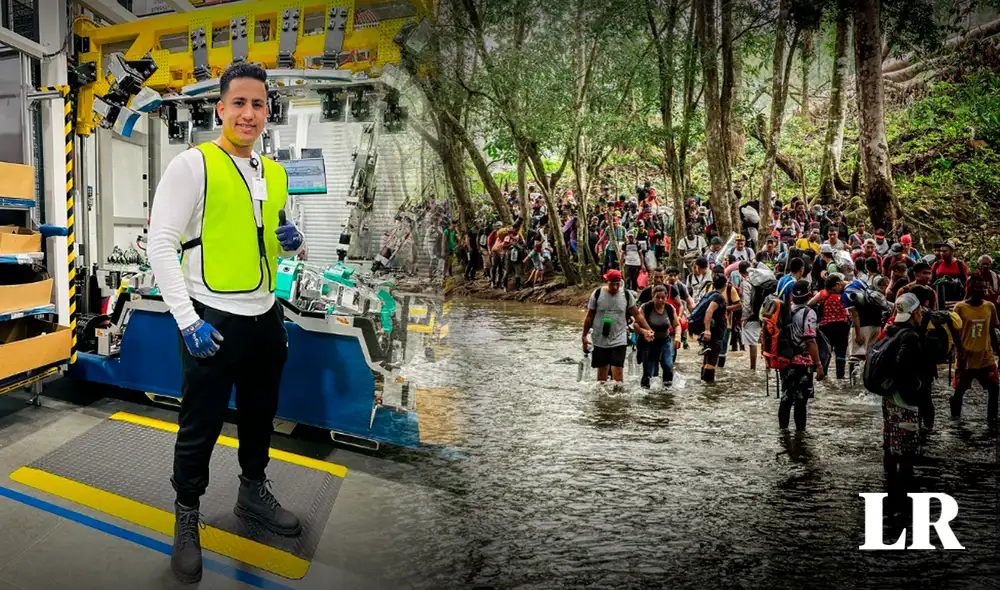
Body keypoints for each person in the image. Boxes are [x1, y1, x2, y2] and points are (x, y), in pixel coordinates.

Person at [147, 63, 306, 583]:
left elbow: (287, 237)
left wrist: (295, 243)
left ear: (267, 111)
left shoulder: (275, 173)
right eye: (239, 102)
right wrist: (186, 319)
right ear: (220, 107)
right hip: (210, 319)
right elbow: (160, 244)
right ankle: (187, 515)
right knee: (200, 428)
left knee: (260, 417)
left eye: (258, 104)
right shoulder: (194, 165)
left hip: (265, 317)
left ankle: (251, 491)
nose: (248, 113)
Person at [880, 293, 931, 482]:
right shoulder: (910, 336)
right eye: (919, 311)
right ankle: (905, 487)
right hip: (904, 400)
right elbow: (902, 367)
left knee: (891, 443)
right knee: (907, 447)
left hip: (890, 397)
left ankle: (890, 483)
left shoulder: (891, 330)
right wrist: (917, 386)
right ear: (914, 313)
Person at [583, 270, 655, 383]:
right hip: (599, 338)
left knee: (618, 373)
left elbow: (637, 315)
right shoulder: (597, 294)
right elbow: (589, 316)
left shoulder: (626, 295)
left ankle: (619, 398)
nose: (615, 287)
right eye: (612, 283)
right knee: (602, 377)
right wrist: (584, 337)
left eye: (618, 283)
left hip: (619, 338)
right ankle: (602, 400)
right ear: (606, 281)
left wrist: (648, 330)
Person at [949, 275, 1000, 427]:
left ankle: (992, 421)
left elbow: (991, 330)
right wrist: (959, 354)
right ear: (969, 288)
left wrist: (998, 350)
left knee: (994, 388)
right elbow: (955, 333)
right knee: (959, 391)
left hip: (986, 356)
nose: (981, 291)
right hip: (966, 357)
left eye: (983, 288)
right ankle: (955, 422)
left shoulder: (989, 306)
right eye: (978, 288)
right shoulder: (960, 307)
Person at [780, 280, 826, 431]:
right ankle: (800, 437)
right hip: (803, 363)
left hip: (785, 361)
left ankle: (783, 433)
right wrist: (819, 365)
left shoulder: (786, 310)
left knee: (786, 398)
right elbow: (811, 341)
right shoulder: (809, 313)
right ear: (809, 295)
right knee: (801, 401)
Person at [639, 285, 683, 388]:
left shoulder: (669, 308)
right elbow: (636, 324)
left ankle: (667, 392)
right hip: (648, 343)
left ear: (666, 297)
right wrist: (644, 331)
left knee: (668, 365)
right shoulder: (645, 307)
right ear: (652, 297)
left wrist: (677, 336)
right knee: (648, 372)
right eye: (657, 297)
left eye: (663, 297)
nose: (660, 300)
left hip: (664, 341)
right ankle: (645, 392)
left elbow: (676, 325)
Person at [809, 274, 850, 379]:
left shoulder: (823, 294)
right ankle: (840, 377)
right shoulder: (846, 293)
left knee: (825, 352)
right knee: (841, 353)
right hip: (842, 327)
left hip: (826, 327)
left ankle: (824, 375)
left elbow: (809, 304)